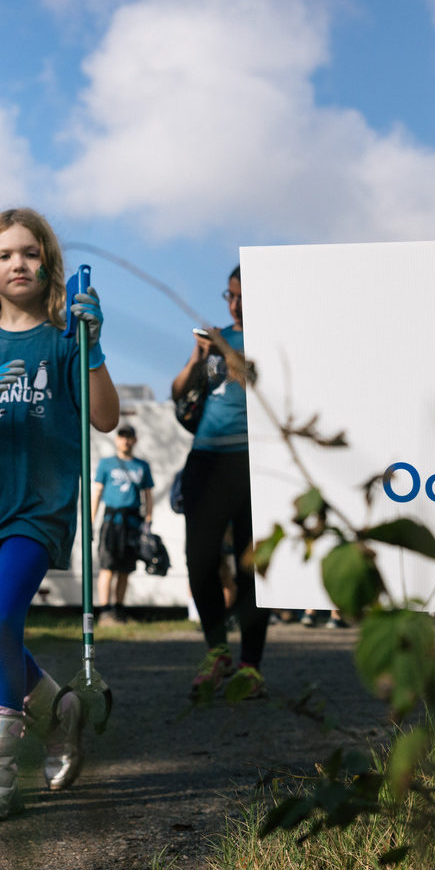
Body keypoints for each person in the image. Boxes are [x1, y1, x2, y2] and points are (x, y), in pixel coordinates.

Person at [0, 207, 119, 823]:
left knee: (3, 619)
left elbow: (106, 417)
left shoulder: (67, 339)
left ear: (49, 263)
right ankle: (60, 707)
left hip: (41, 505)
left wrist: (92, 348)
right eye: (5, 255)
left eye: (30, 253)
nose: (19, 264)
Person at [173, 265, 268, 699]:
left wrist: (227, 349)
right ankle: (217, 652)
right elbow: (178, 392)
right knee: (199, 560)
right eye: (229, 295)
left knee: (251, 567)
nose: (234, 304)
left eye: (242, 296)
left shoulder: (272, 339)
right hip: (206, 459)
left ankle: (251, 665)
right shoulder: (213, 342)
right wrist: (197, 356)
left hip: (254, 460)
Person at [93, 422, 154, 626]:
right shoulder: (106, 464)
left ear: (135, 440)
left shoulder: (141, 466)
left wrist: (148, 521)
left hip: (132, 521)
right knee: (107, 566)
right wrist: (91, 520)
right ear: (116, 439)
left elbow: (148, 494)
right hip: (111, 521)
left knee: (125, 569)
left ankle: (119, 609)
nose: (125, 440)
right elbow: (97, 492)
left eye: (129, 436)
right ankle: (104, 610)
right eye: (122, 436)